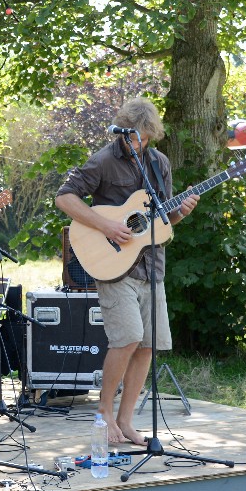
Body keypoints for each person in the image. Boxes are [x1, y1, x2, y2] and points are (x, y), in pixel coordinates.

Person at [54, 97, 199, 445]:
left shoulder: (159, 163)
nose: (133, 141)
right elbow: (65, 198)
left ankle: (126, 419)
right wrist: (105, 225)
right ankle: (104, 412)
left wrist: (181, 211)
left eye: (140, 136)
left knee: (148, 345)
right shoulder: (103, 160)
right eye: (129, 135)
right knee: (129, 337)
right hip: (115, 269)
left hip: (152, 266)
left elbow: (162, 220)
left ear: (150, 134)